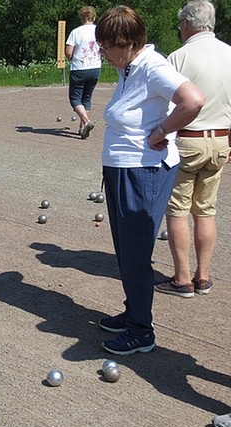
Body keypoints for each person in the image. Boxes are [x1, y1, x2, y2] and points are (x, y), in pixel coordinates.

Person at [94, 6, 204, 355]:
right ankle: (133, 312)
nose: (102, 53)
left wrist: (162, 131)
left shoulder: (153, 66)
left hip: (143, 172)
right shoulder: (130, 66)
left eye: (106, 46)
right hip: (124, 168)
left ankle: (142, 331)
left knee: (137, 252)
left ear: (127, 43)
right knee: (127, 250)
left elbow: (193, 100)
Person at [154, 0, 231, 300]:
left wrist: (160, 132)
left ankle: (182, 278)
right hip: (220, 140)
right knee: (206, 210)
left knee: (177, 210)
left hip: (187, 140)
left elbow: (168, 104)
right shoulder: (229, 54)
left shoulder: (178, 58)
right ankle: (204, 277)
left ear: (186, 23)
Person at [65, 6, 102, 139]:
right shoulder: (99, 31)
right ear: (94, 17)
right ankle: (82, 129)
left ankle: (86, 122)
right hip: (95, 67)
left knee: (75, 99)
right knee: (86, 98)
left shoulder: (76, 32)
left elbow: (69, 53)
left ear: (81, 17)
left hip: (79, 68)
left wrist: (72, 57)